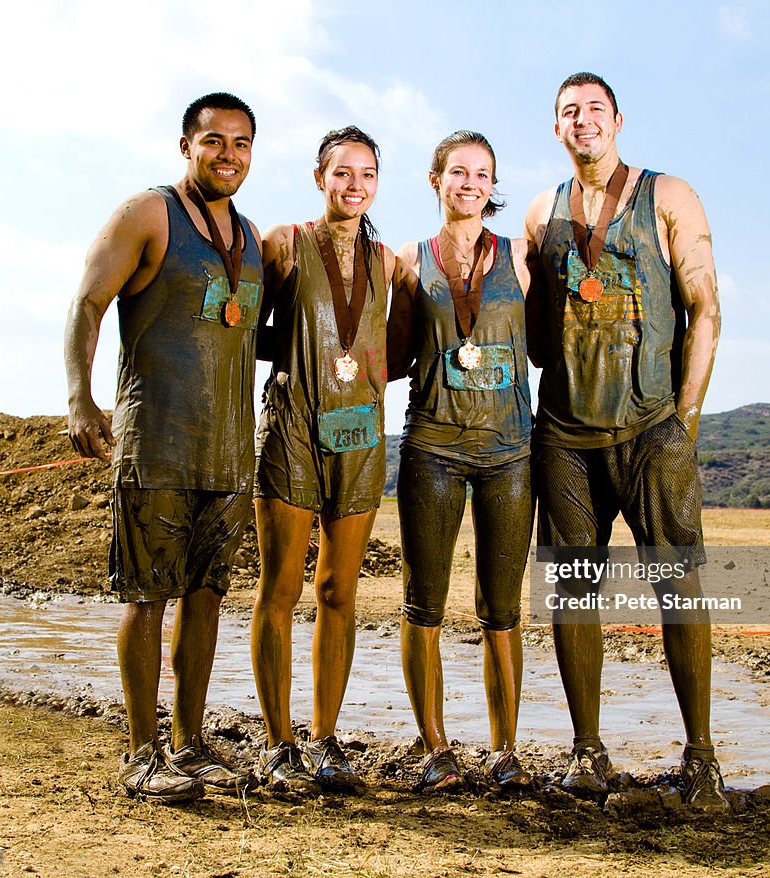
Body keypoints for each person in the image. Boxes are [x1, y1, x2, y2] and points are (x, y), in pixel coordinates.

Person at [523, 72, 727, 810]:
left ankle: (701, 759)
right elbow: (534, 333)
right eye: (568, 112)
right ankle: (587, 753)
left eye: (594, 110)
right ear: (556, 128)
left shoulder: (668, 195)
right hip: (566, 436)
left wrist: (685, 420)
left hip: (651, 428)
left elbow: (706, 310)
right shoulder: (542, 210)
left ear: (618, 120)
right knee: (573, 595)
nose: (583, 121)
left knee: (679, 589)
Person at [64, 93, 262, 802]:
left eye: (240, 143)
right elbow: (88, 301)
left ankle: (191, 742)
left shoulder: (250, 238)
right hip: (156, 446)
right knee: (147, 596)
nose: (227, 155)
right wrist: (80, 400)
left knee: (206, 596)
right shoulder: (149, 213)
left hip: (229, 453)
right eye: (214, 141)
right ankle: (141, 752)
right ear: (187, 146)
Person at [387, 131, 534, 794]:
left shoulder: (524, 259)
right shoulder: (408, 262)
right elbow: (387, 357)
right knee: (425, 605)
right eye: (457, 172)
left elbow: (557, 347)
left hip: (510, 454)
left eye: (481, 174)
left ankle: (506, 751)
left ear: (492, 184)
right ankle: (437, 749)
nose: (469, 183)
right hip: (433, 449)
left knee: (502, 609)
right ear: (435, 180)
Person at [251, 127, 395, 795]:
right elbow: (239, 324)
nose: (354, 185)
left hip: (359, 432)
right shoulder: (285, 242)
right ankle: (279, 743)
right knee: (279, 589)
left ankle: (324, 738)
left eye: (366, 174)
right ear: (320, 178)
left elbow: (405, 347)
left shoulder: (389, 262)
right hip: (293, 425)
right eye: (342, 173)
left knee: (339, 592)